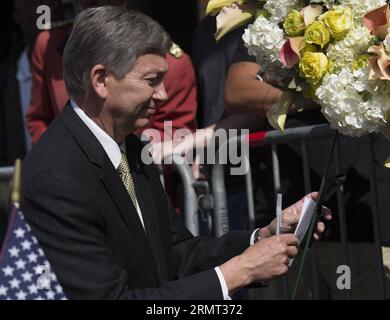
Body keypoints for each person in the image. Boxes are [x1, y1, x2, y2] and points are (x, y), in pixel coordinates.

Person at [21, 6, 330, 299]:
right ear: (101, 80)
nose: (163, 94)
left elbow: (176, 253)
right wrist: (239, 271)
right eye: (150, 81)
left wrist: (259, 239)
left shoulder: (129, 147)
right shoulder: (57, 177)